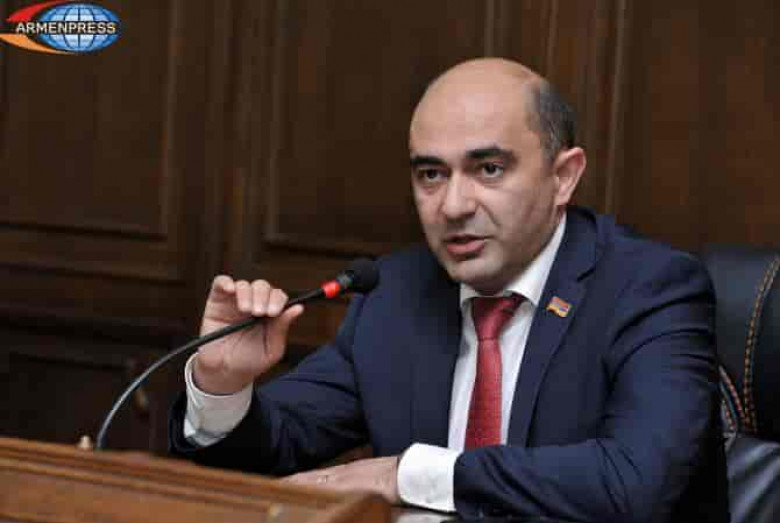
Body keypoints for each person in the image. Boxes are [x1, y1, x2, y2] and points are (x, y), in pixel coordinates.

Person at [169, 58, 728, 523]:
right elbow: (276, 449)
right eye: (431, 175)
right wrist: (222, 388)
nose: (454, 206)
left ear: (563, 177)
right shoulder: (397, 292)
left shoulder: (648, 288)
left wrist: (405, 475)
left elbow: (634, 484)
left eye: (489, 169)